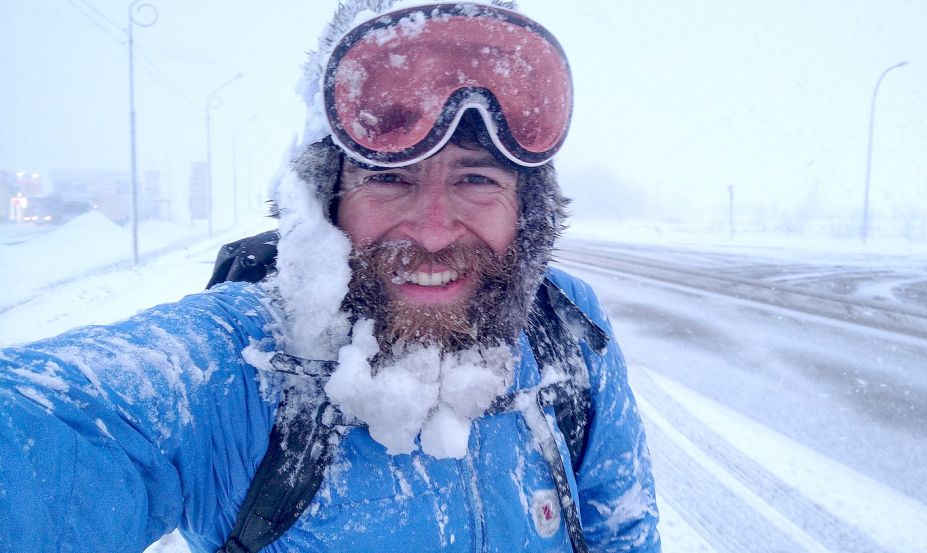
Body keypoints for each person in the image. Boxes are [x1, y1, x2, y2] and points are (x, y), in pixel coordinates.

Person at [0, 1, 661, 551]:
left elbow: (621, 531)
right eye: (388, 178)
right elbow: (57, 428)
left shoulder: (564, 328)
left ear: (527, 210)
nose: (433, 231)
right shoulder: (237, 363)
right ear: (327, 202)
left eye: (476, 178)